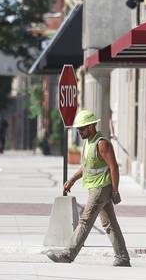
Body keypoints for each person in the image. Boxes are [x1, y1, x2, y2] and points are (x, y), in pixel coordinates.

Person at [45, 110, 130, 266]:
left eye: (82, 128)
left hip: (101, 188)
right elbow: (86, 167)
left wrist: (115, 190)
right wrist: (72, 179)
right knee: (109, 223)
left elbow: (114, 167)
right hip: (94, 187)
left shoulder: (101, 143)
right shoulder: (89, 143)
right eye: (78, 129)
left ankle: (68, 255)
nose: (79, 132)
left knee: (84, 221)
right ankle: (122, 257)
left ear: (91, 127)